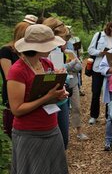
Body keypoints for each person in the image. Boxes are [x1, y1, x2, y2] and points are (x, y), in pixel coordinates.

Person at [7, 24, 69, 173]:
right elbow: (17, 109)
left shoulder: (46, 63)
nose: (52, 48)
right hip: (29, 134)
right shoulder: (18, 71)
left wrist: (60, 92)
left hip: (52, 129)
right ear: (38, 47)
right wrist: (48, 96)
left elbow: (51, 91)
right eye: (50, 45)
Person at [43, 17, 88, 144]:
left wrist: (65, 71)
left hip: (63, 93)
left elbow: (72, 67)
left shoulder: (63, 50)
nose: (64, 41)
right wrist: (66, 68)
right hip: (51, 100)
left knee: (63, 139)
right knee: (55, 139)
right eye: (62, 37)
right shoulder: (43, 52)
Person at [0, 15, 37, 138]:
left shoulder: (31, 52)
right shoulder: (6, 51)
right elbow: (9, 75)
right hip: (14, 97)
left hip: (30, 95)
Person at [88, 18, 112, 125]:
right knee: (96, 92)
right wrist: (101, 53)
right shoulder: (98, 35)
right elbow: (90, 50)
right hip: (98, 68)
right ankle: (93, 115)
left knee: (109, 92)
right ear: (111, 28)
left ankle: (109, 116)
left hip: (110, 69)